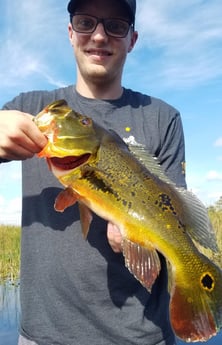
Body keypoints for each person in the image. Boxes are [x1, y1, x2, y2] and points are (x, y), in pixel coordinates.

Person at [0, 0, 187, 344]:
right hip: (43, 337)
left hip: (141, 337)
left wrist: (141, 241)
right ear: (71, 33)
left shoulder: (163, 118)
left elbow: (176, 215)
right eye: (86, 22)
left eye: (116, 26)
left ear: (132, 39)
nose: (99, 36)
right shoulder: (30, 108)